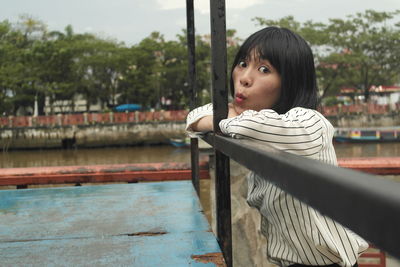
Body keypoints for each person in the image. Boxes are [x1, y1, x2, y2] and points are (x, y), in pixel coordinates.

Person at [186, 26, 368, 267]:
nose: (245, 78)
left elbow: (251, 126)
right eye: (242, 63)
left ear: (290, 82)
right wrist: (227, 116)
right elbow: (194, 117)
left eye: (264, 69)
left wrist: (227, 118)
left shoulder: (310, 122)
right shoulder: (254, 122)